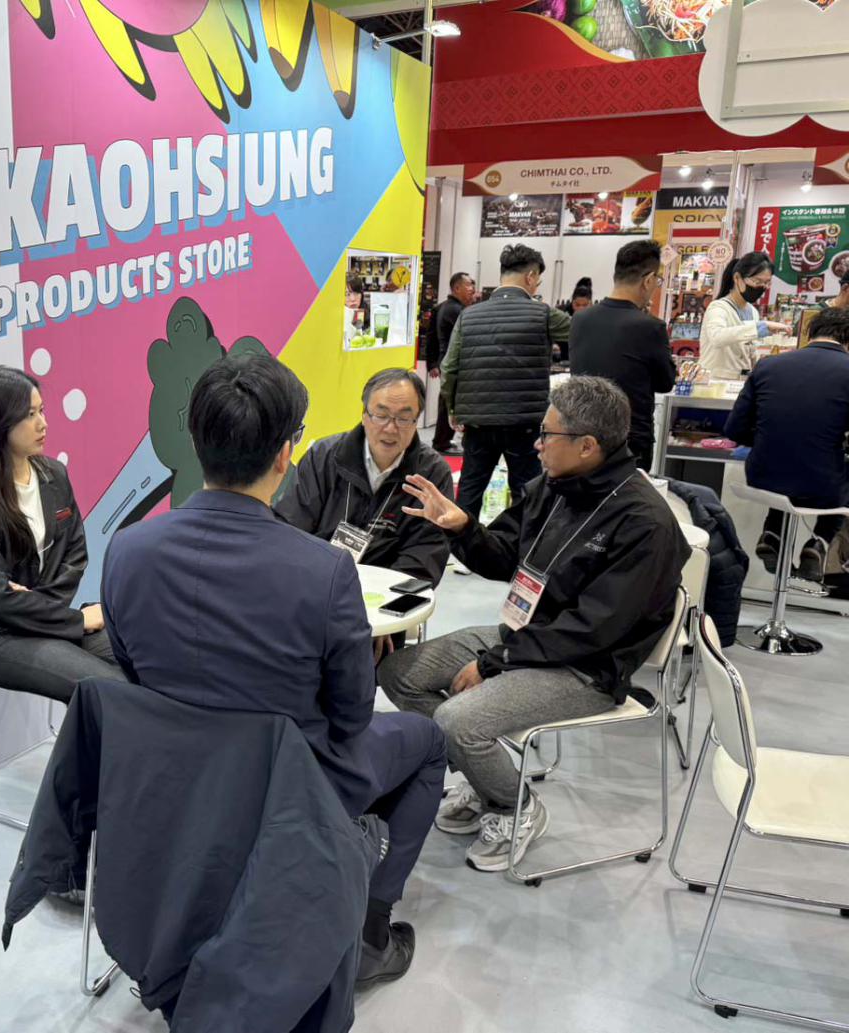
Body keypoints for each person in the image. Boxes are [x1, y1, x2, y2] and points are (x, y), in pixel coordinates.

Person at [102, 353, 447, 988]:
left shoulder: (127, 550)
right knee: (428, 742)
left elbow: (130, 670)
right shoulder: (324, 572)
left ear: (195, 442)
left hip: (169, 772)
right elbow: (352, 715)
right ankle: (367, 933)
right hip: (290, 777)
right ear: (287, 454)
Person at [378, 376, 689, 872]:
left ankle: (514, 805)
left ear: (587, 446)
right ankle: (486, 778)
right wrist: (462, 528)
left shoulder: (644, 523)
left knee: (458, 720)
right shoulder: (553, 486)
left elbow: (592, 630)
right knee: (398, 673)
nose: (537, 444)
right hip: (524, 638)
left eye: (547, 434)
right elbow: (505, 557)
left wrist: (495, 662)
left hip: (586, 669)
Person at [0, 366, 124, 703]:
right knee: (110, 690)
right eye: (29, 415)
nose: (43, 423)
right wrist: (75, 620)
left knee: (145, 663)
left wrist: (40, 608)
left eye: (41, 410)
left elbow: (75, 554)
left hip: (48, 619)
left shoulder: (54, 474)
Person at [275, 367, 453, 609]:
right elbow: (291, 528)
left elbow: (426, 554)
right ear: (364, 415)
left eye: (403, 418)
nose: (390, 428)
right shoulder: (324, 457)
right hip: (316, 591)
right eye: (381, 415)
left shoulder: (432, 473)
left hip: (385, 602)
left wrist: (385, 605)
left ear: (416, 421)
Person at [440, 244, 571, 518]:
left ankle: (459, 541)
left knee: (470, 490)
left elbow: (449, 367)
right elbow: (580, 332)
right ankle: (521, 542)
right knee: (526, 493)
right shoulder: (544, 314)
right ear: (531, 276)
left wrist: (453, 409)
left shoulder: (468, 315)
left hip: (478, 422)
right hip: (524, 422)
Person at [725, 307, 849, 582]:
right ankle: (819, 541)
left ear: (810, 333)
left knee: (786, 473)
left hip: (762, 475)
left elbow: (734, 429)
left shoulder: (768, 365)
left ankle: (773, 533)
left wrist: (769, 440)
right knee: (829, 470)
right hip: (821, 482)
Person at [569, 241, 676, 470]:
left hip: (582, 433)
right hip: (629, 438)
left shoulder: (580, 319)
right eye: (657, 281)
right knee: (626, 493)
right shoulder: (650, 326)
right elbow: (665, 382)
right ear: (648, 280)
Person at [699, 252, 791, 379]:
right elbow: (717, 337)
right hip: (714, 381)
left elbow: (749, 349)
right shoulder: (719, 307)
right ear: (737, 278)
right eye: (757, 281)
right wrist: (760, 327)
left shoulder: (752, 311)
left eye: (767, 283)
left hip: (739, 382)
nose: (762, 287)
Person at [426, 272, 476, 454]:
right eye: (468, 285)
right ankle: (442, 442)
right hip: (454, 364)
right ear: (457, 288)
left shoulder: (444, 307)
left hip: (446, 362)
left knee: (448, 402)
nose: (472, 289)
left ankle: (443, 440)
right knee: (449, 403)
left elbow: (431, 336)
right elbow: (433, 336)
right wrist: (432, 362)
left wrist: (433, 362)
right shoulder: (457, 311)